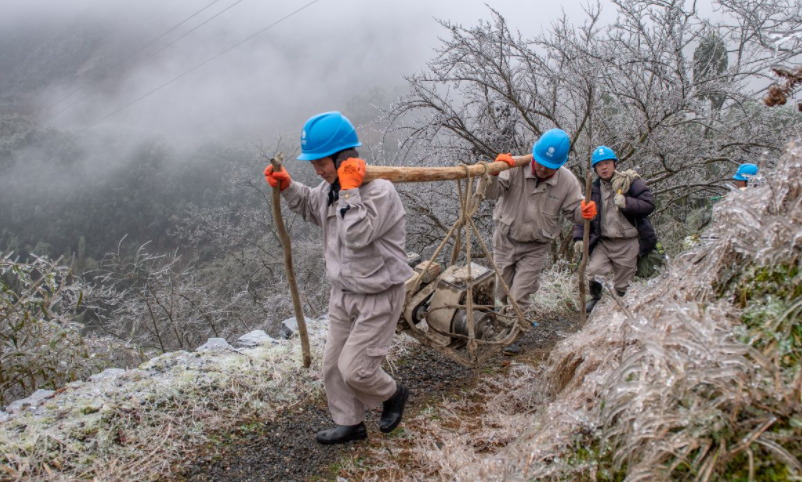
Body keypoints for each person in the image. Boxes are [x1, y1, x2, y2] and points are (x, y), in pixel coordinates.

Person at [264, 111, 413, 444]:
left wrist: (349, 190)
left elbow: (357, 234)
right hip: (343, 293)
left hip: (378, 293)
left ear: (343, 157)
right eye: (313, 164)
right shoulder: (330, 189)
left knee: (355, 369)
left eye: (322, 163)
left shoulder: (379, 192)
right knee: (332, 366)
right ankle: (350, 423)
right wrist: (288, 186)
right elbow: (310, 204)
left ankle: (393, 394)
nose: (317, 170)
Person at [487, 129, 597, 353]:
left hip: (536, 247)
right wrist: (494, 173)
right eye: (540, 162)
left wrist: (584, 211)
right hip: (505, 240)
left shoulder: (567, 182)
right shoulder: (515, 167)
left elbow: (574, 211)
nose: (542, 168)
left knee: (520, 294)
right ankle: (497, 327)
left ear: (559, 166)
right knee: (500, 290)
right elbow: (491, 193)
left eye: (550, 166)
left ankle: (511, 335)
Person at [573, 146, 655, 313]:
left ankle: (617, 309)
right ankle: (595, 298)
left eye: (607, 163)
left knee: (623, 283)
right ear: (595, 169)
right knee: (595, 270)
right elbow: (584, 215)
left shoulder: (630, 182)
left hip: (628, 241)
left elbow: (649, 204)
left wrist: (627, 203)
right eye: (599, 165)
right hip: (604, 241)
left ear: (614, 164)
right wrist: (579, 238)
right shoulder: (593, 189)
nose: (604, 167)